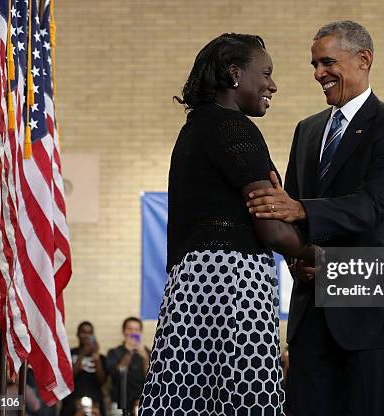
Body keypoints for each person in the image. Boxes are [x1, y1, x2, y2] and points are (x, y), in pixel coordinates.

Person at [138, 33, 317, 415]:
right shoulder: (235, 129)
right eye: (265, 73)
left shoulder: (194, 129)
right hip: (234, 282)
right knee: (248, 397)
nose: (273, 84)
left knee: (188, 398)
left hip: (190, 288)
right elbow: (271, 226)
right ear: (235, 74)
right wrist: (311, 251)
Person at [246, 21, 384, 416]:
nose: (318, 73)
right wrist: (295, 257)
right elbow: (287, 205)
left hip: (368, 300)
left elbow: (377, 204)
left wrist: (303, 209)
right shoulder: (307, 130)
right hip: (311, 308)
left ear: (363, 59)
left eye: (327, 62)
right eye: (314, 64)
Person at [61, 322, 107, 416]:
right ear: (78, 334)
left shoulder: (100, 357)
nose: (86, 336)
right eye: (83, 332)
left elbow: (102, 381)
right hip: (73, 399)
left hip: (95, 398)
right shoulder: (70, 353)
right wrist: (82, 354)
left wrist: (97, 359)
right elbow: (68, 378)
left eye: (89, 333)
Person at [107, 317, 150, 412]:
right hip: (120, 403)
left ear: (140, 332)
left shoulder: (147, 352)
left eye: (136, 330)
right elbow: (117, 375)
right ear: (123, 332)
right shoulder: (114, 352)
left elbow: (150, 378)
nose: (133, 332)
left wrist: (145, 357)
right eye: (129, 329)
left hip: (142, 403)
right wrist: (129, 351)